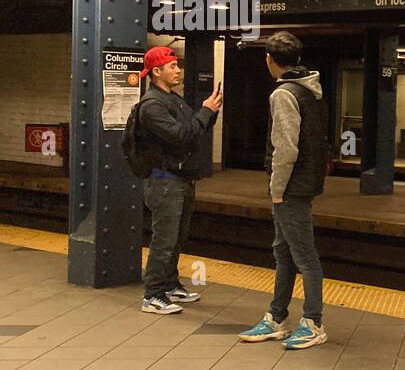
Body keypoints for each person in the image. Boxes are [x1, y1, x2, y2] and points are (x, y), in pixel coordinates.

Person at [239, 32, 330, 349]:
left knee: (304, 255)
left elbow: (285, 147)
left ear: (269, 60)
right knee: (284, 252)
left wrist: (277, 189)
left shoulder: (283, 95)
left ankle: (313, 323)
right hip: (306, 181)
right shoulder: (312, 90)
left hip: (291, 186)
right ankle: (276, 317)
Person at [136, 46, 222, 314]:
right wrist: (205, 111)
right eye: (172, 66)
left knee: (177, 238)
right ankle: (152, 295)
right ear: (156, 72)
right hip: (164, 182)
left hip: (181, 179)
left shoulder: (173, 99)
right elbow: (181, 135)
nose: (178, 70)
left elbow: (195, 130)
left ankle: (170, 285)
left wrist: (211, 110)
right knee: (164, 239)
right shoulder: (152, 106)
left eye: (177, 65)